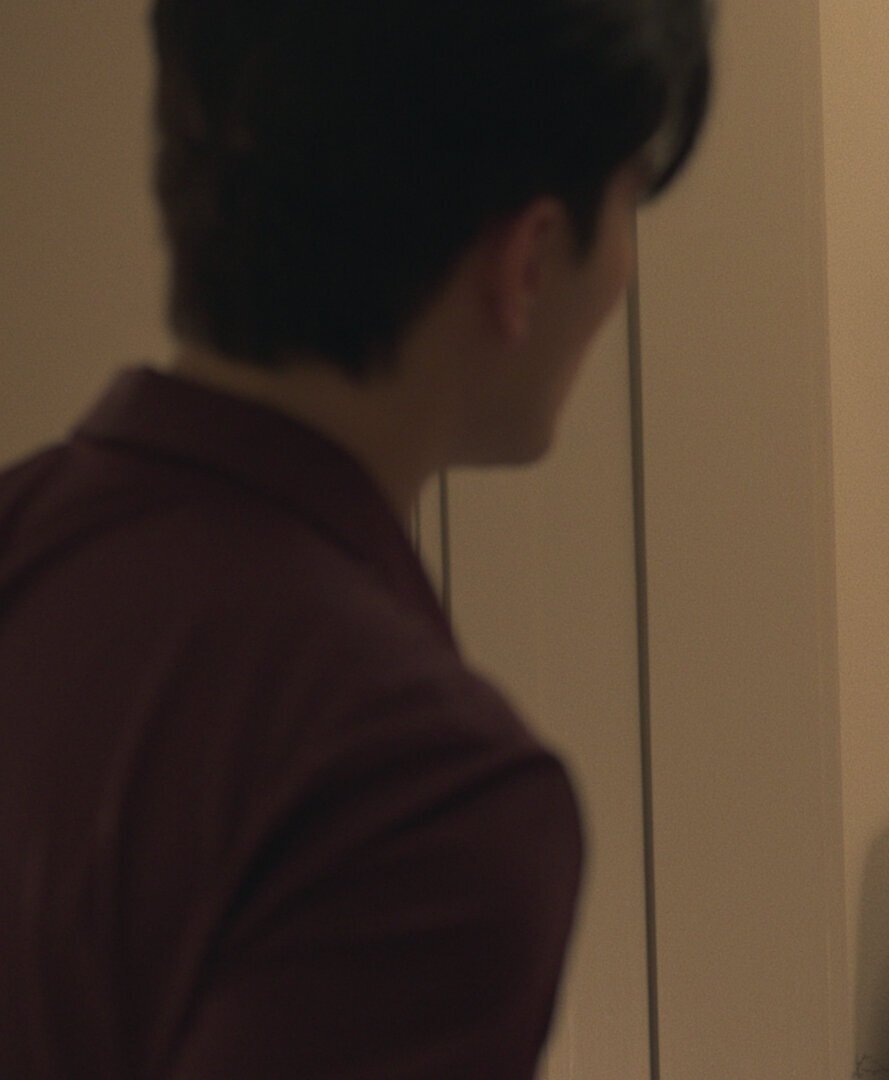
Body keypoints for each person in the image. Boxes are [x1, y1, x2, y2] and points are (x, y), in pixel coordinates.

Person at [0, 2, 707, 1077]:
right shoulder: (421, 795)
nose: (625, 267)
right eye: (628, 205)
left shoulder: (30, 544)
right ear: (527, 257)